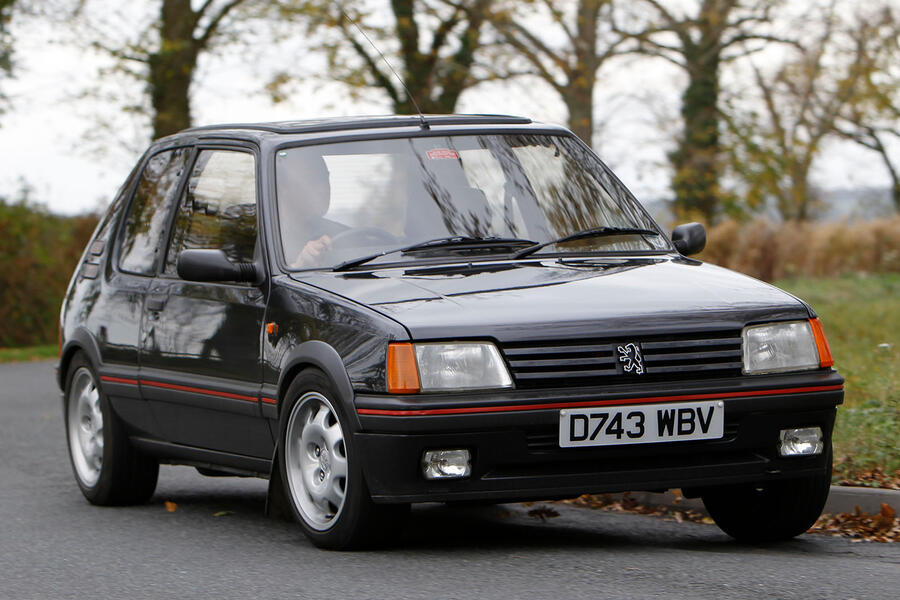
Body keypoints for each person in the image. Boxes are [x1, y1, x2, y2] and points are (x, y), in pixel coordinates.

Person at [276, 154, 347, 268]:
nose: (323, 188)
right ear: (283, 188)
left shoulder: (346, 235)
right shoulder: (265, 238)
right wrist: (298, 266)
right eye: (312, 180)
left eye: (325, 178)